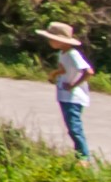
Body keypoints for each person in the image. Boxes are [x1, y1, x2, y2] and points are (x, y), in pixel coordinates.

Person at [39, 20, 93, 164]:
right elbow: (65, 70)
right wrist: (55, 77)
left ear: (60, 40)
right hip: (65, 96)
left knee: (75, 128)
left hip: (73, 97)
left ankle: (84, 158)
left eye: (52, 39)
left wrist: (74, 85)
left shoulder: (72, 54)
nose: (50, 41)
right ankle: (80, 157)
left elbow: (88, 72)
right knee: (71, 128)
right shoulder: (63, 53)